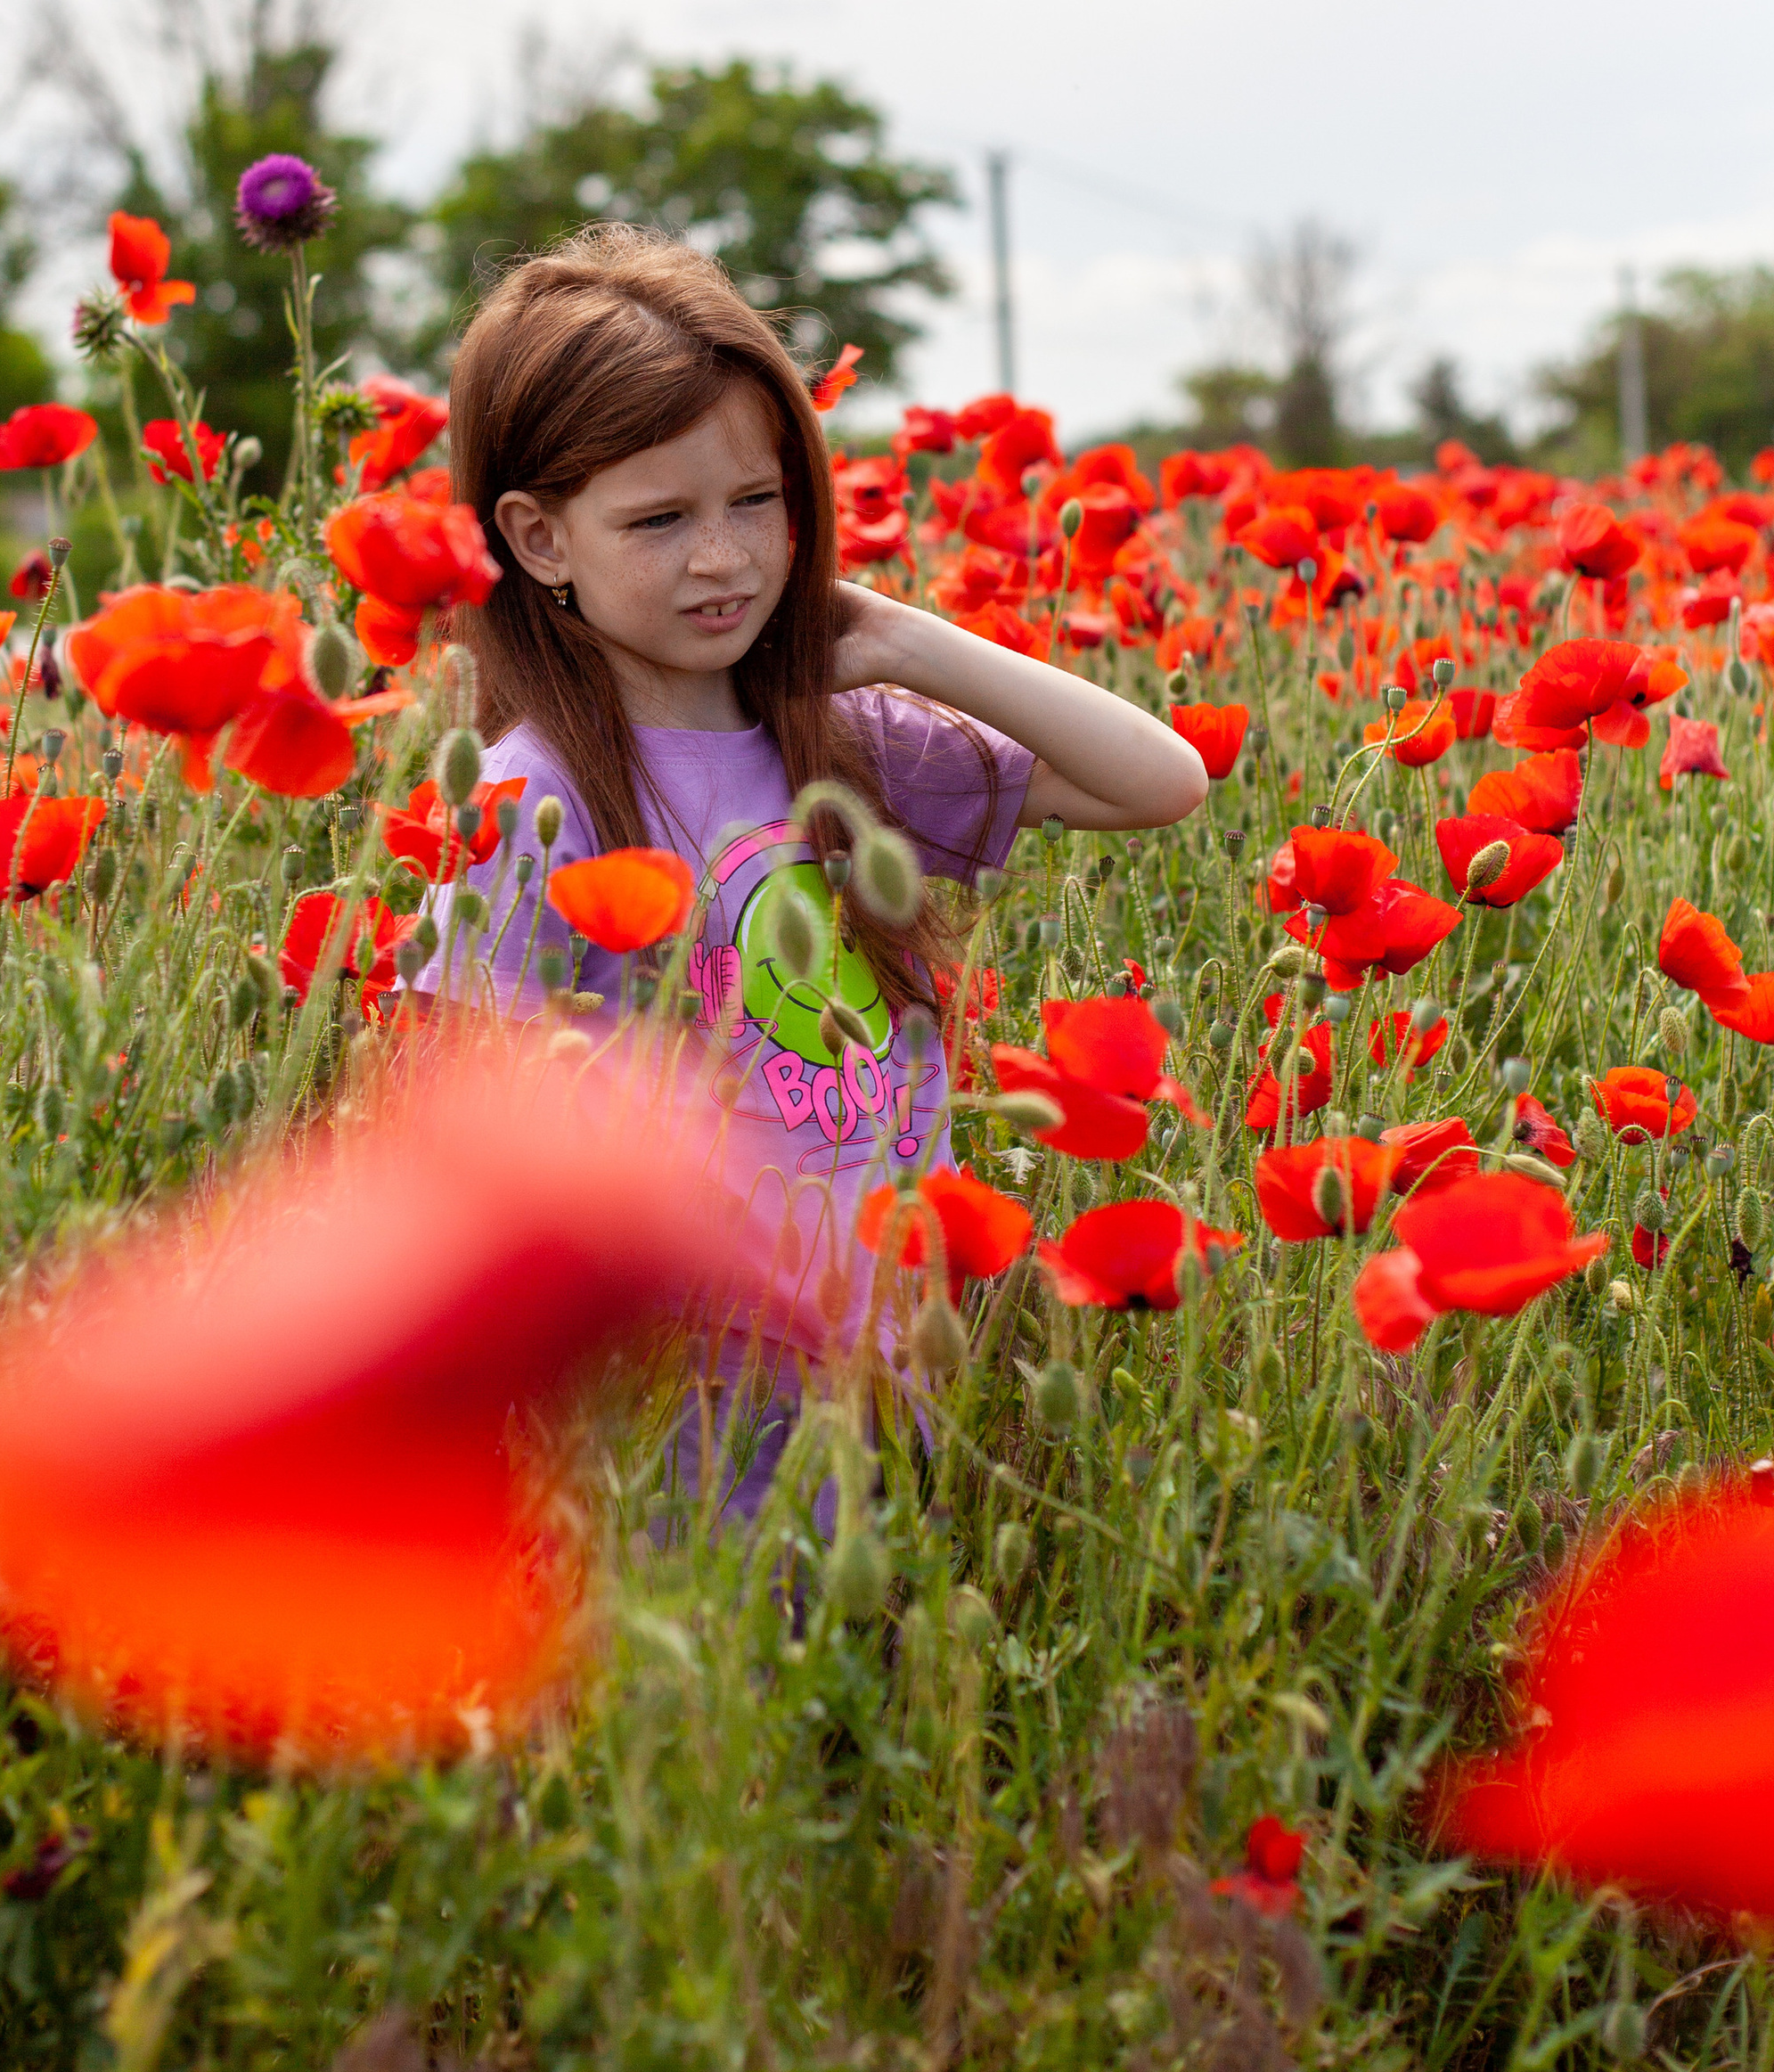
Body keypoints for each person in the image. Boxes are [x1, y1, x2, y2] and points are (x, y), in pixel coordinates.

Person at [410, 224, 1206, 1518]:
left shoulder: (837, 747)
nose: (723, 557)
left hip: (896, 1388)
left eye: (757, 502)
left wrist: (902, 637)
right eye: (660, 520)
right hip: (680, 1447)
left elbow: (1158, 780)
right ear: (540, 539)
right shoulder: (530, 803)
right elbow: (459, 1150)